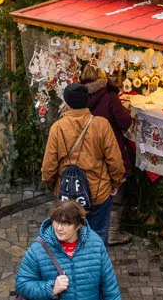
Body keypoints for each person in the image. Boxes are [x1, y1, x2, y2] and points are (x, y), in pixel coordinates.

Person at [40, 83, 126, 244]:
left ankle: (72, 268)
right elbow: (115, 161)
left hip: (68, 195)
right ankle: (95, 268)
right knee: (98, 238)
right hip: (98, 193)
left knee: (69, 240)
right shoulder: (101, 125)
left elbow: (48, 168)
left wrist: (55, 187)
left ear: (67, 103)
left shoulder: (58, 128)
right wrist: (115, 183)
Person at [16, 198, 122, 300]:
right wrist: (51, 288)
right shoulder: (38, 248)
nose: (59, 228)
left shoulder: (95, 244)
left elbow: (110, 287)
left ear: (78, 225)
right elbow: (22, 284)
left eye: (66, 223)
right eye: (56, 221)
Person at [80, 65, 132, 246]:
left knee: (94, 191)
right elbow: (125, 122)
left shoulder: (81, 97)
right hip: (111, 148)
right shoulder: (109, 97)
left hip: (89, 152)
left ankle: (90, 230)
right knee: (116, 192)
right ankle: (112, 232)